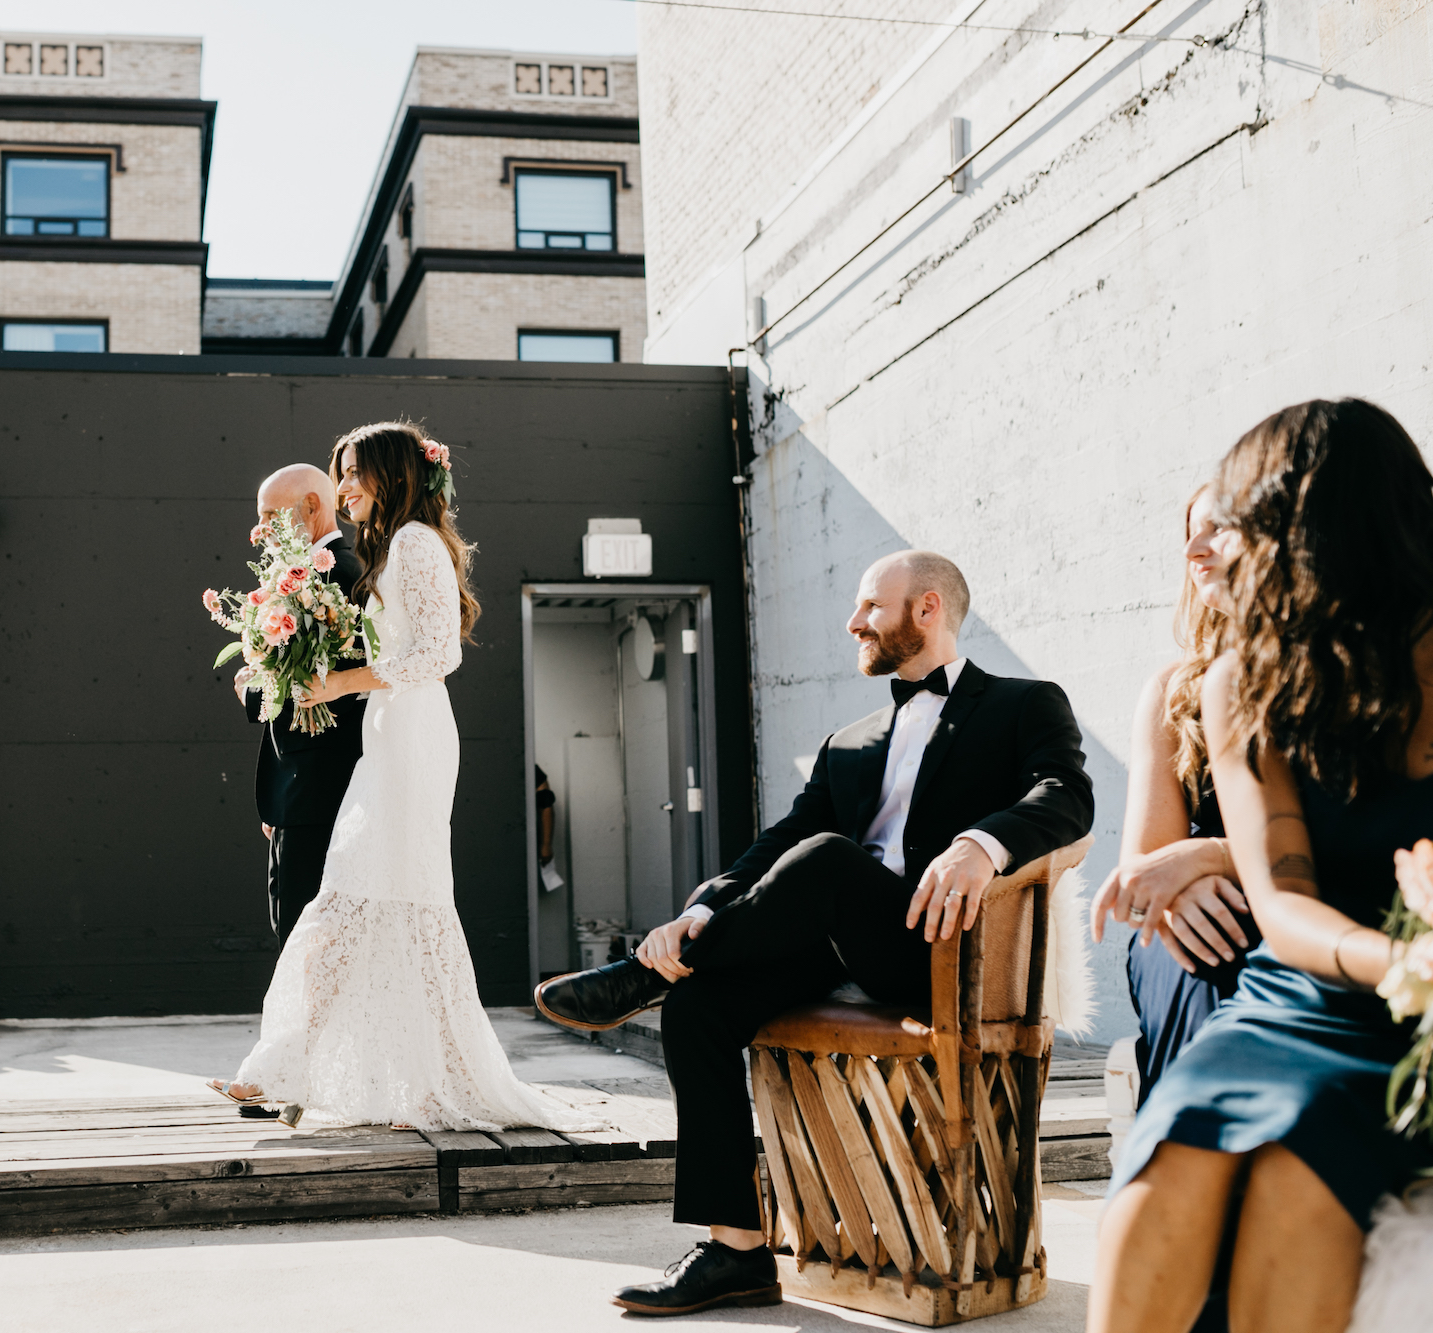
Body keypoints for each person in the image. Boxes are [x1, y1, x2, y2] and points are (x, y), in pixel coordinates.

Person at [537, 549, 1094, 1317]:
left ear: (927, 609)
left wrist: (980, 844)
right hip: (829, 949)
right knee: (699, 1009)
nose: (853, 621)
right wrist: (702, 907)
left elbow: (1066, 795)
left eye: (871, 605)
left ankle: (643, 976)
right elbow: (780, 844)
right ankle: (735, 1252)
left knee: (830, 861)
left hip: (937, 953)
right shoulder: (849, 739)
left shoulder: (1025, 703)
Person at [1093, 399, 1433, 1333]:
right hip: (1311, 981)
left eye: (1236, 524)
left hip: (1405, 1023)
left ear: (1307, 527)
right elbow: (1284, 903)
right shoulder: (1237, 682)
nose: (1216, 550)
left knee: (1299, 1173)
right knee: (1167, 1171)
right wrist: (1404, 965)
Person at [208, 422, 597, 1134]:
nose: (344, 487)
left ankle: (281, 1069)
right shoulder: (393, 545)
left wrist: (332, 685)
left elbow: (439, 656)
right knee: (370, 907)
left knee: (364, 905)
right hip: (388, 737)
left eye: (353, 473)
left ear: (393, 474)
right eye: (340, 474)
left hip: (413, 735)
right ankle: (352, 1074)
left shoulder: (415, 543)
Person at [1089, 489, 1260, 1099]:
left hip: (1301, 893)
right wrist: (1183, 881)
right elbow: (1144, 867)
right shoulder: (1174, 690)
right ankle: (1191, 1173)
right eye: (1191, 531)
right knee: (1201, 960)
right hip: (1190, 914)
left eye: (1218, 528)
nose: (1193, 548)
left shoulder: (1342, 673)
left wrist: (1206, 854)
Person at [234, 464, 367, 946]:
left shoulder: (340, 577)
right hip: (297, 793)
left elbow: (337, 693)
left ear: (312, 507)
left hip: (319, 793)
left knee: (305, 940)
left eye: (271, 516)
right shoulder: (307, 576)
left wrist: (251, 689)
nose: (260, 530)